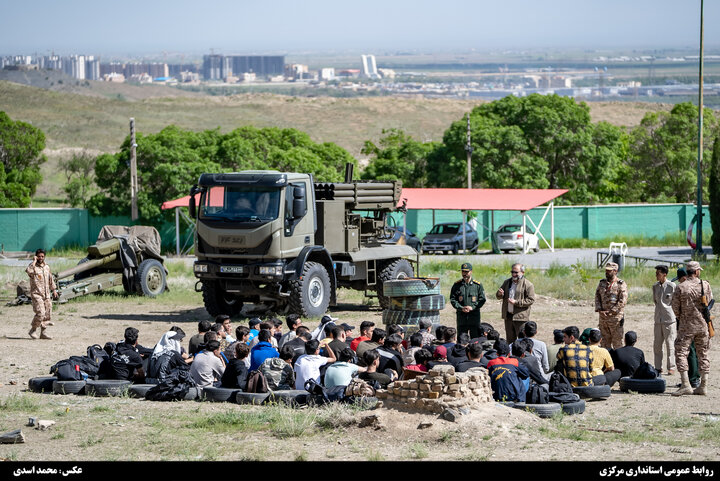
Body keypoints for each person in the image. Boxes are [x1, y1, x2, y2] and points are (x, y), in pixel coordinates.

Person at [672, 261, 713, 396]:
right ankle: (703, 386)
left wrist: (683, 317)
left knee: (681, 352)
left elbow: (675, 308)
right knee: (703, 354)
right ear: (696, 272)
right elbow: (709, 301)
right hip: (702, 325)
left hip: (686, 326)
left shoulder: (681, 287)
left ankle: (685, 384)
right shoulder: (704, 285)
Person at [672, 267, 700, 389]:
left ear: (684, 277)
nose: (679, 282)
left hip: (686, 323)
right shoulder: (700, 285)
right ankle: (693, 377)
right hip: (698, 323)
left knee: (689, 351)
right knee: (694, 350)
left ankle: (693, 379)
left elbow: (675, 308)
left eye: (680, 279)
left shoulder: (683, 288)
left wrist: (681, 319)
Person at [496, 263, 536, 343]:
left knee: (522, 341)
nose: (514, 274)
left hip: (520, 318)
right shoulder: (507, 282)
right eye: (512, 272)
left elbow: (531, 300)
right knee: (510, 340)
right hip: (508, 317)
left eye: (516, 272)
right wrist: (500, 294)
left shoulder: (528, 284)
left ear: (522, 272)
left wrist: (516, 302)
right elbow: (498, 295)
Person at [26, 249, 58, 340]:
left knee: (47, 313)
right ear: (36, 256)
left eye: (42, 256)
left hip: (46, 294)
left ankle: (43, 333)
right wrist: (34, 261)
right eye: (39, 256)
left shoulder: (47, 267)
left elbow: (50, 279)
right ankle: (33, 330)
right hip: (37, 294)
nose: (41, 258)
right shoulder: (32, 267)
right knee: (41, 313)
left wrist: (54, 290)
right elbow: (29, 272)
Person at [594, 262, 628, 349]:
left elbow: (622, 300)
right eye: (606, 270)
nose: (607, 272)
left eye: (609, 271)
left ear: (615, 271)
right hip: (603, 319)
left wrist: (611, 311)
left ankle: (618, 362)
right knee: (604, 343)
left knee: (617, 344)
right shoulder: (602, 283)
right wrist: (599, 310)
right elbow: (597, 296)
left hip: (615, 319)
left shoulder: (620, 284)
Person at [450, 263, 486, 338]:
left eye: (466, 272)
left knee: (475, 339)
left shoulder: (477, 285)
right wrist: (461, 308)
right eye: (463, 271)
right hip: (462, 318)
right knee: (461, 339)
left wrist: (472, 307)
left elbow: (482, 299)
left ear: (471, 271)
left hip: (474, 317)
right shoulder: (457, 285)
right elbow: (453, 299)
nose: (464, 274)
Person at [653, 265, 677, 375]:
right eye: (656, 273)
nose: (656, 275)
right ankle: (658, 367)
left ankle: (671, 366)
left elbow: (675, 302)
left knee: (670, 344)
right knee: (657, 345)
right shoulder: (655, 287)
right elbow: (655, 301)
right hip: (658, 320)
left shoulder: (672, 286)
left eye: (658, 273)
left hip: (669, 320)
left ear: (664, 274)